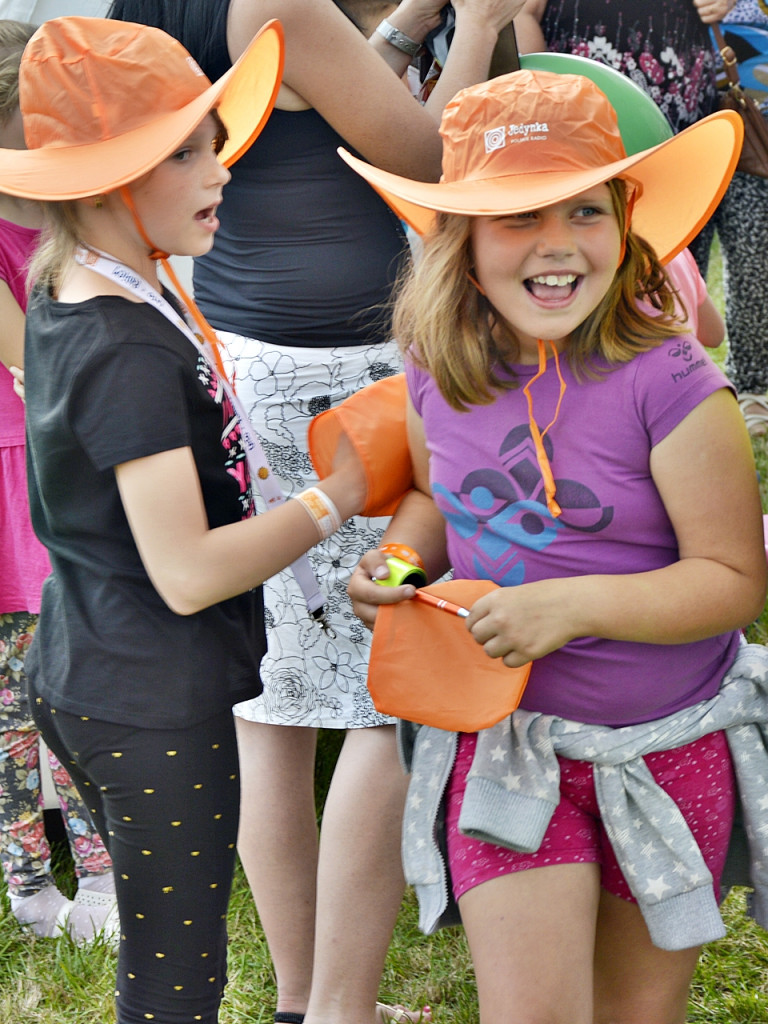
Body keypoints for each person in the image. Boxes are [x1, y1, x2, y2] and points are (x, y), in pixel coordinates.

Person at [106, 3, 524, 1023]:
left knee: (274, 702)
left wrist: (412, 25)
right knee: (386, 696)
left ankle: (306, 999)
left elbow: (307, 114)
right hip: (347, 376)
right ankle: (340, 1007)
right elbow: (442, 158)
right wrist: (477, 23)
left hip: (245, 356)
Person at [343, 67, 767, 1024]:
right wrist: (400, 570)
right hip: (507, 746)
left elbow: (736, 581)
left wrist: (568, 607)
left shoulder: (673, 383)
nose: (556, 245)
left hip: (668, 750)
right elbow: (434, 499)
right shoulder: (434, 369)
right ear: (461, 238)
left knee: (635, 1013)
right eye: (517, 216)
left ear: (625, 220)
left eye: (582, 211)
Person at [0, 15, 381, 1024]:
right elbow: (188, 570)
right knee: (177, 981)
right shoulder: (124, 346)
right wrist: (333, 497)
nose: (221, 169)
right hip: (146, 699)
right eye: (183, 152)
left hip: (107, 671)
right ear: (102, 183)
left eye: (213, 137)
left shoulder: (89, 286)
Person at [0, 17, 117, 944]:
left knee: (73, 680)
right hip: (24, 465)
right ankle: (31, 884)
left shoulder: (80, 213)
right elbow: (33, 360)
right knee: (14, 696)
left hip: (60, 459)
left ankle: (105, 876)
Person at [692, 0, 768, 433]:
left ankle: (753, 388)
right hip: (682, 120)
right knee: (680, 262)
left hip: (756, 124)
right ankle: (680, 379)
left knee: (755, 264)